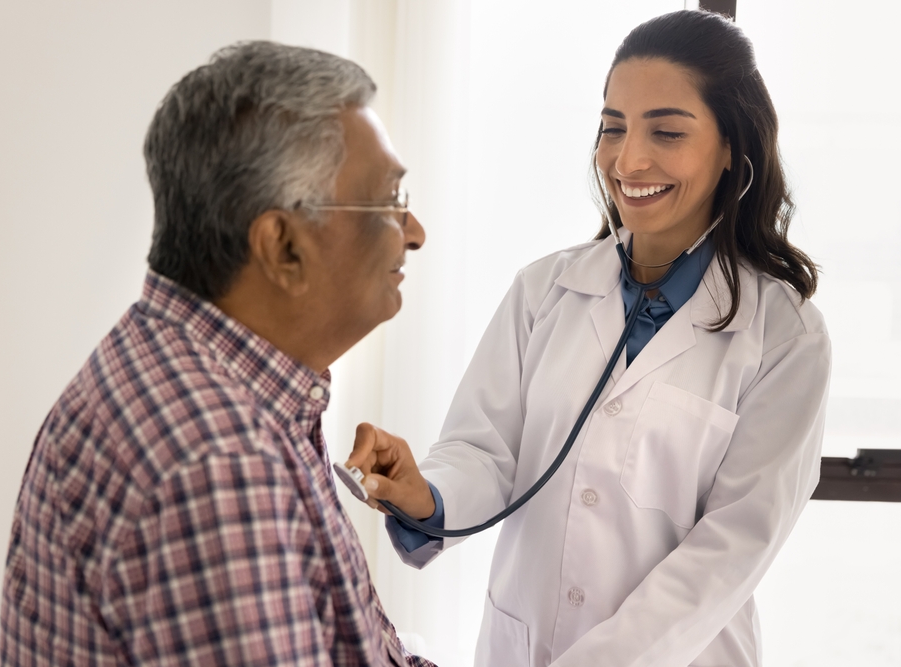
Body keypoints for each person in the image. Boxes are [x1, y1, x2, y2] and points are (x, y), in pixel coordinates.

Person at [346, 10, 830, 667]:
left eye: (666, 130)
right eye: (613, 127)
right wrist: (424, 493)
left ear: (729, 149)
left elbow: (731, 549)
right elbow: (486, 450)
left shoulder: (785, 335)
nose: (628, 159)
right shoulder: (544, 290)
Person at [0, 41, 432, 667]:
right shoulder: (219, 462)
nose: (415, 232)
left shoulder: (200, 374)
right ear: (283, 246)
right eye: (390, 201)